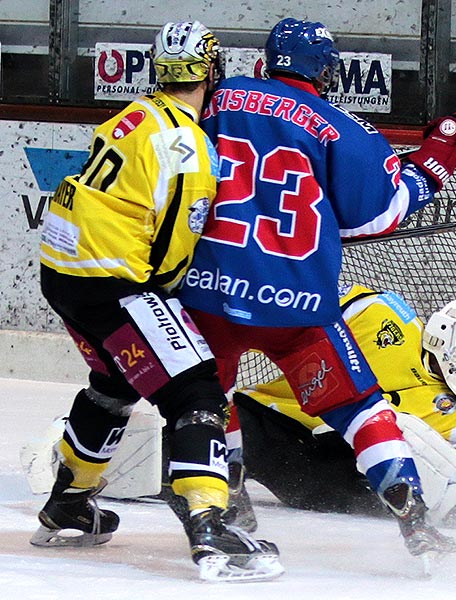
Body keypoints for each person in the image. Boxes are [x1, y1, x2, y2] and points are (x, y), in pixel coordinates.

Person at [175, 18, 456, 563]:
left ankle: (231, 499)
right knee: (359, 408)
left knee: (207, 401)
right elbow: (377, 216)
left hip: (207, 290)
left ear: (266, 60)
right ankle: (414, 516)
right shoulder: (343, 128)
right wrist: (430, 167)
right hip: (296, 301)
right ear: (326, 71)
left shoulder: (216, 100)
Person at [34, 21, 283, 581]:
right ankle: (209, 527)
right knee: (195, 386)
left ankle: (68, 503)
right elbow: (171, 256)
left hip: (63, 270)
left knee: (117, 383)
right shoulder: (192, 148)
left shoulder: (134, 114)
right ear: (210, 70)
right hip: (110, 279)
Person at [232, 285, 456, 527]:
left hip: (325, 476)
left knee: (392, 425)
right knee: (205, 441)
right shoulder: (385, 315)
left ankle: (450, 508)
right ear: (443, 331)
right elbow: (311, 298)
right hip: (273, 421)